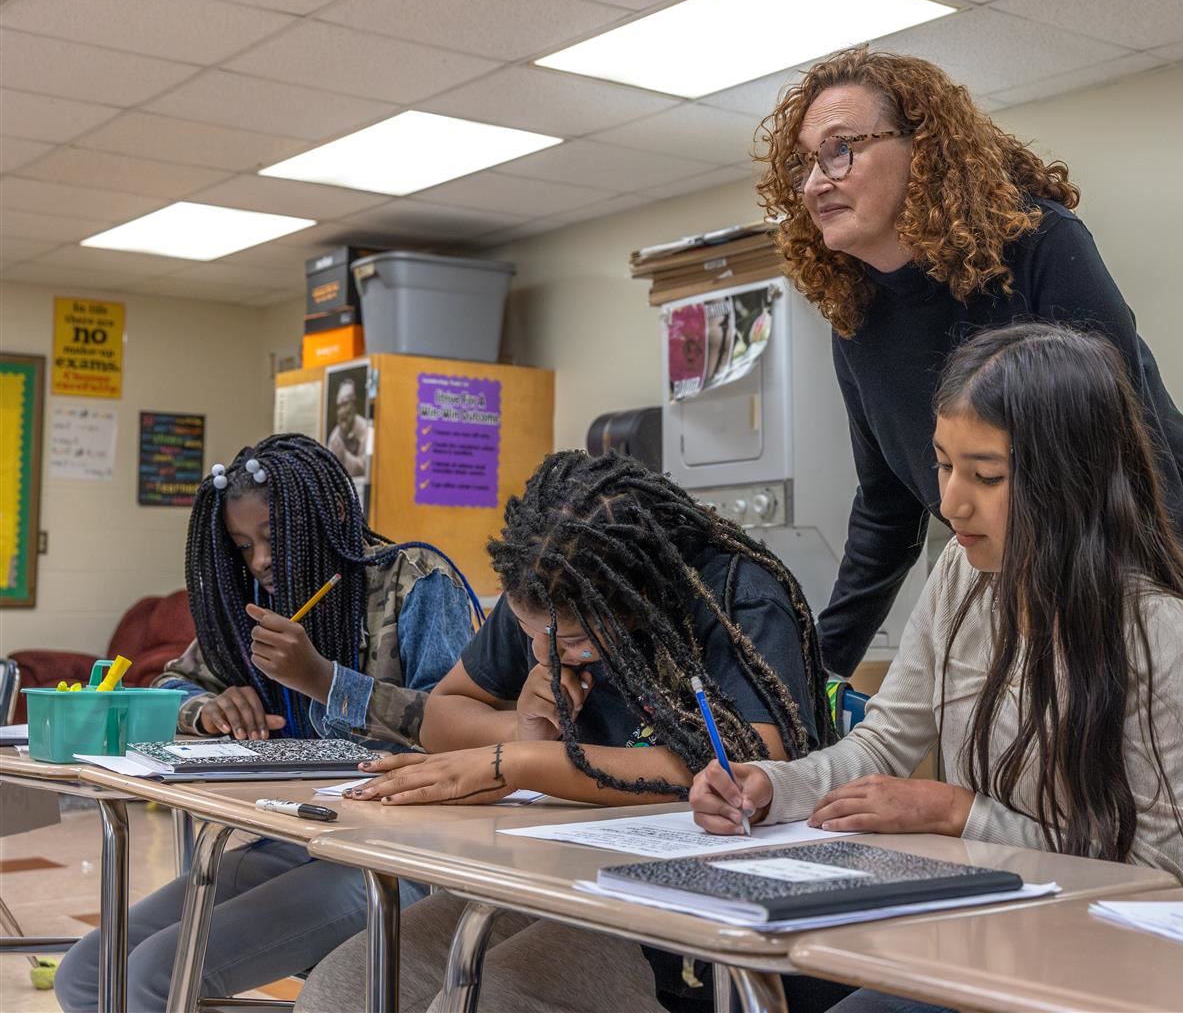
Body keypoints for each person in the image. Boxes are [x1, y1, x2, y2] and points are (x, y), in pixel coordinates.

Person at [755, 46, 1183, 742]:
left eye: (840, 150)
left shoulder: (1039, 247)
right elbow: (887, 516)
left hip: (1181, 565)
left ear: (923, 150)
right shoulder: (856, 320)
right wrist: (810, 677)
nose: (814, 182)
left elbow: (1135, 450)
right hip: (1048, 596)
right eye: (803, 162)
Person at [692, 324, 1183, 1012]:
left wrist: (962, 812)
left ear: (1071, 479)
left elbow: (1153, 872)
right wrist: (772, 785)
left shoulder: (1160, 630)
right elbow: (885, 742)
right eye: (944, 466)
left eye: (986, 476)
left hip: (1089, 966)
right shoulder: (962, 574)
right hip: (973, 930)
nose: (950, 503)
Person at [296, 451, 845, 1013]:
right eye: (531, 633)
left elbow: (752, 764)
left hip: (699, 896)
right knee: (347, 986)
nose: (544, 653)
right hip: (566, 866)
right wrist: (527, 729)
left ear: (638, 602)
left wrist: (521, 764)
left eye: (573, 642)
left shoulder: (733, 598)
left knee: (495, 999)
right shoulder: (546, 585)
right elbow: (444, 712)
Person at [54, 434, 477, 1013]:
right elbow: (171, 683)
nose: (258, 561)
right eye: (241, 544)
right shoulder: (252, 598)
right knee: (83, 975)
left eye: (273, 539)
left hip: (394, 856)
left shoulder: (415, 581)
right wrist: (206, 710)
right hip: (291, 838)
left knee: (154, 974)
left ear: (321, 520)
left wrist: (324, 679)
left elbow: (464, 729)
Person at [327, 377, 370, 478]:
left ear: (354, 405)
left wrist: (344, 456)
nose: (342, 412)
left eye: (345, 404)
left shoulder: (365, 430)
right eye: (339, 406)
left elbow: (365, 468)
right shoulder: (335, 437)